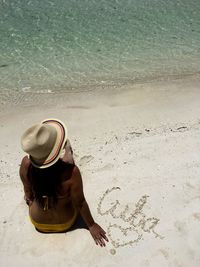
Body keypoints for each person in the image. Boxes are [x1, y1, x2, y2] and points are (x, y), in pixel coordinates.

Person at [19, 118, 108, 247]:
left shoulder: (26, 165)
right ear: (55, 149)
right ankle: (68, 150)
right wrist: (91, 225)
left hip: (38, 223)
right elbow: (80, 203)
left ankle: (67, 151)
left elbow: (28, 195)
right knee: (69, 165)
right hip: (65, 223)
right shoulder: (72, 173)